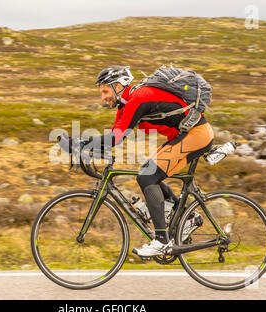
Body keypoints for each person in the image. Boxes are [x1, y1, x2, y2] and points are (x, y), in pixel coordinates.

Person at [83, 65, 214, 256]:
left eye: (105, 91)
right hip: (188, 135)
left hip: (197, 135)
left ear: (118, 85)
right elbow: (113, 137)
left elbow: (115, 138)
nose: (103, 98)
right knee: (145, 173)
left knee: (148, 177)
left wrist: (79, 143)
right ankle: (189, 218)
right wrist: (82, 148)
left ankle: (162, 241)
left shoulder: (139, 97)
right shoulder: (127, 104)